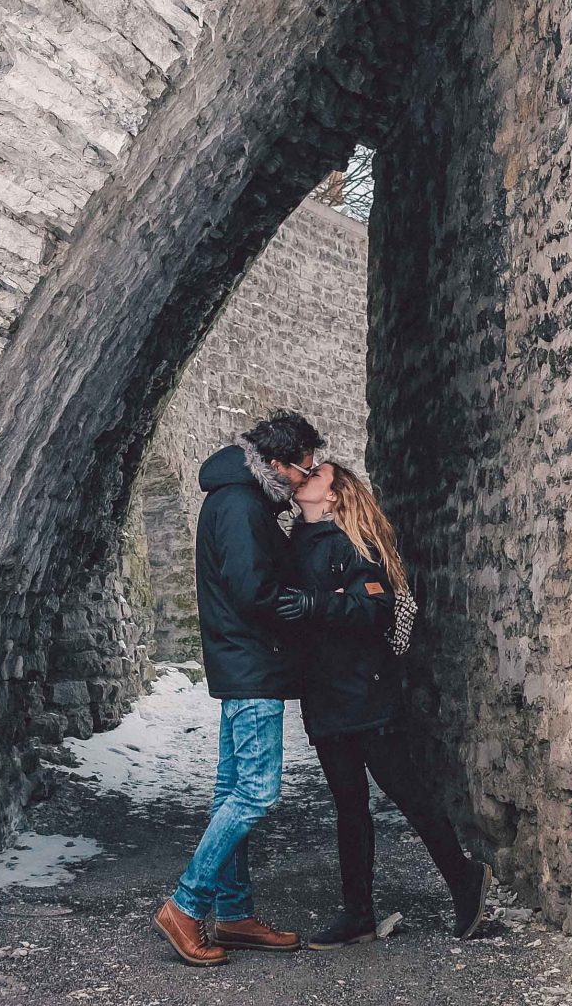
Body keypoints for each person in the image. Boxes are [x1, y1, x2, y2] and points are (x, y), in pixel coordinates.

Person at [277, 460, 489, 948]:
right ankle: (358, 914)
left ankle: (464, 881)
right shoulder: (292, 543)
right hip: (324, 698)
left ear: (332, 497)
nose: (302, 479)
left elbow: (373, 607)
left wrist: (318, 604)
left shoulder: (356, 544)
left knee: (408, 794)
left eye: (315, 477)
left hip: (367, 695)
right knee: (348, 807)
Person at [153, 410, 325, 966]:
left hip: (243, 664)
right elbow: (255, 593)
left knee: (233, 791)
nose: (309, 475)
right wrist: (308, 610)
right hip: (253, 665)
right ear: (277, 464)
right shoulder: (243, 506)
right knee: (255, 791)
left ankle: (234, 915)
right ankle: (186, 905)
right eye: (304, 466)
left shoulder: (235, 499)